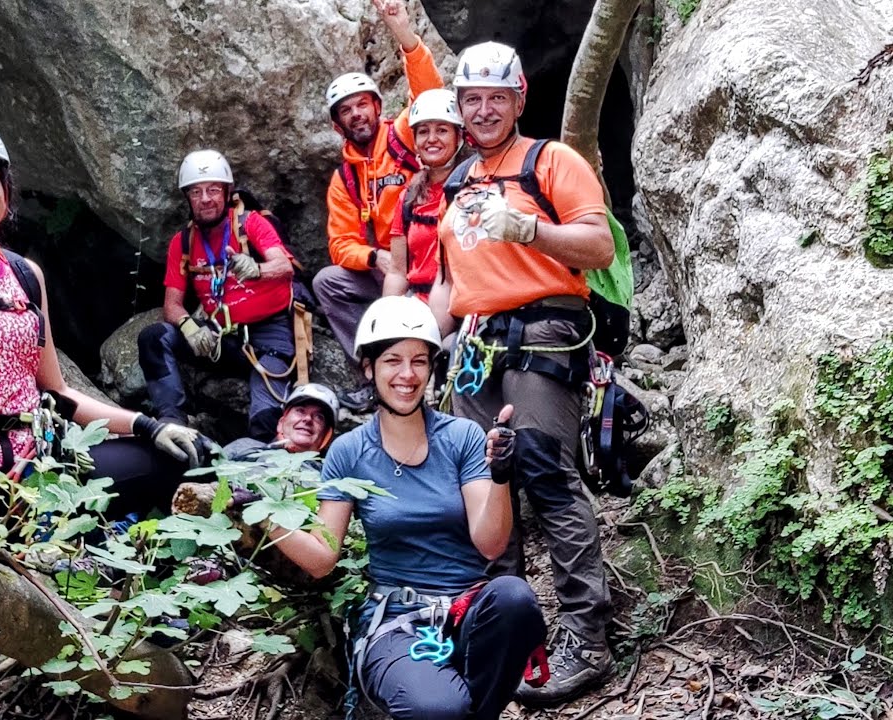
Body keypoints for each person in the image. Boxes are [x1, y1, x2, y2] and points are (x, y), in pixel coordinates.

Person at [0, 113, 214, 720]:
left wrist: (147, 425)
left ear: (6, 187)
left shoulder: (25, 275)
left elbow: (58, 393)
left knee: (164, 465)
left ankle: (151, 620)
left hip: (43, 478)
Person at [428, 42, 618, 706]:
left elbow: (598, 245)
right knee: (483, 484)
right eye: (471, 100)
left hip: (546, 329)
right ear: (460, 106)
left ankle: (586, 639)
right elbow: (449, 285)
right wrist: (420, 341)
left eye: (495, 98)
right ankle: (507, 633)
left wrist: (529, 229)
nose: (482, 111)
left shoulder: (552, 161)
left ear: (518, 100)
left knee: (541, 469)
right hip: (476, 342)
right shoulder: (455, 183)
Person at [270, 296, 546, 720]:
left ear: (432, 367)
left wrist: (500, 475)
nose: (407, 374)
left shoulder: (462, 437)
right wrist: (264, 516)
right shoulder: (349, 451)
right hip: (396, 621)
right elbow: (323, 559)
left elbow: (490, 547)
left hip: (468, 613)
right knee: (441, 708)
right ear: (369, 368)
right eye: (393, 360)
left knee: (515, 598)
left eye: (419, 361)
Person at [312, 0, 443, 413]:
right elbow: (340, 244)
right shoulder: (344, 179)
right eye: (346, 110)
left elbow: (429, 93)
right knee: (327, 281)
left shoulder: (403, 135)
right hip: (389, 266)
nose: (356, 114)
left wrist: (403, 34)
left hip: (432, 257)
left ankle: (427, 366)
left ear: (377, 106)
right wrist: (376, 256)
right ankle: (372, 371)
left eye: (361, 104)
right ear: (338, 125)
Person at [137, 150, 297, 440]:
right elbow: (171, 305)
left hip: (268, 334)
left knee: (264, 422)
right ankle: (173, 423)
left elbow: (284, 267)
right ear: (188, 198)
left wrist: (257, 270)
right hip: (221, 336)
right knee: (153, 337)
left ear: (226, 192)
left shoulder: (251, 225)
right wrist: (190, 328)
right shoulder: (183, 242)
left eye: (213, 189)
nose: (206, 198)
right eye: (196, 192)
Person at [382, 88, 463, 301]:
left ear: (459, 136)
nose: (432, 139)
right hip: (418, 307)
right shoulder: (408, 197)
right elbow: (397, 272)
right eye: (424, 131)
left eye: (442, 130)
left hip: (461, 307)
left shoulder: (473, 188)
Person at [222, 382, 339, 462]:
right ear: (281, 423)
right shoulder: (243, 447)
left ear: (326, 437)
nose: (308, 419)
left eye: (319, 417)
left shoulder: (328, 480)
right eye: (300, 411)